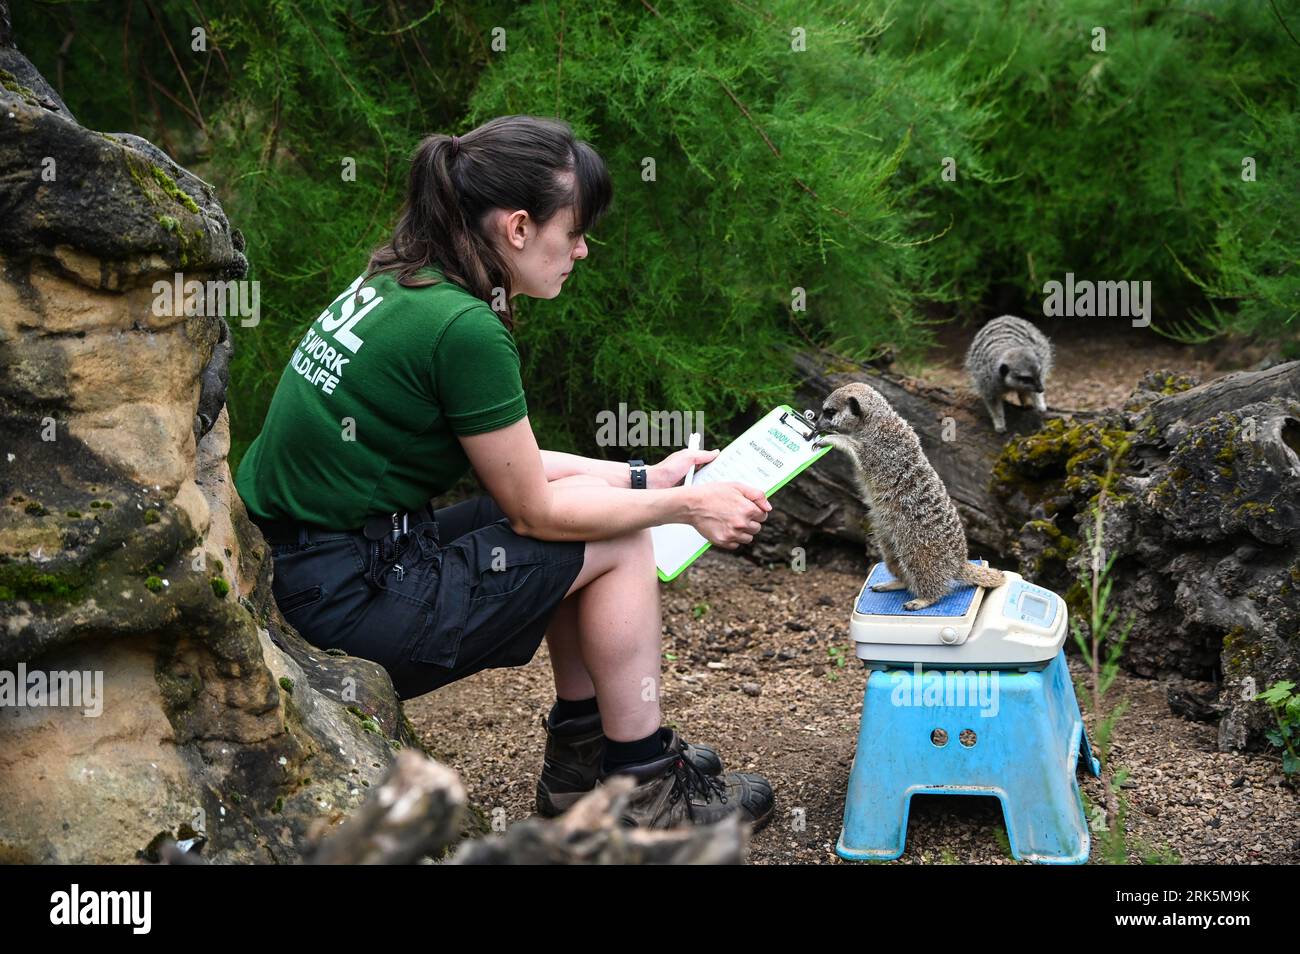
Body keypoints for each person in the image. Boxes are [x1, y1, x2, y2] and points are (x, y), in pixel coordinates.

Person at [233, 115, 775, 830]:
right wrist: (688, 507)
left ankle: (586, 774)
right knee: (616, 544)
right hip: (344, 602)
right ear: (519, 228)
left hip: (309, 568)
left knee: (591, 508)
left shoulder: (404, 280)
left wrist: (649, 478)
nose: (582, 250)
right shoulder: (464, 328)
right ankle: (643, 792)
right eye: (575, 230)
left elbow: (515, 467)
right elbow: (534, 513)